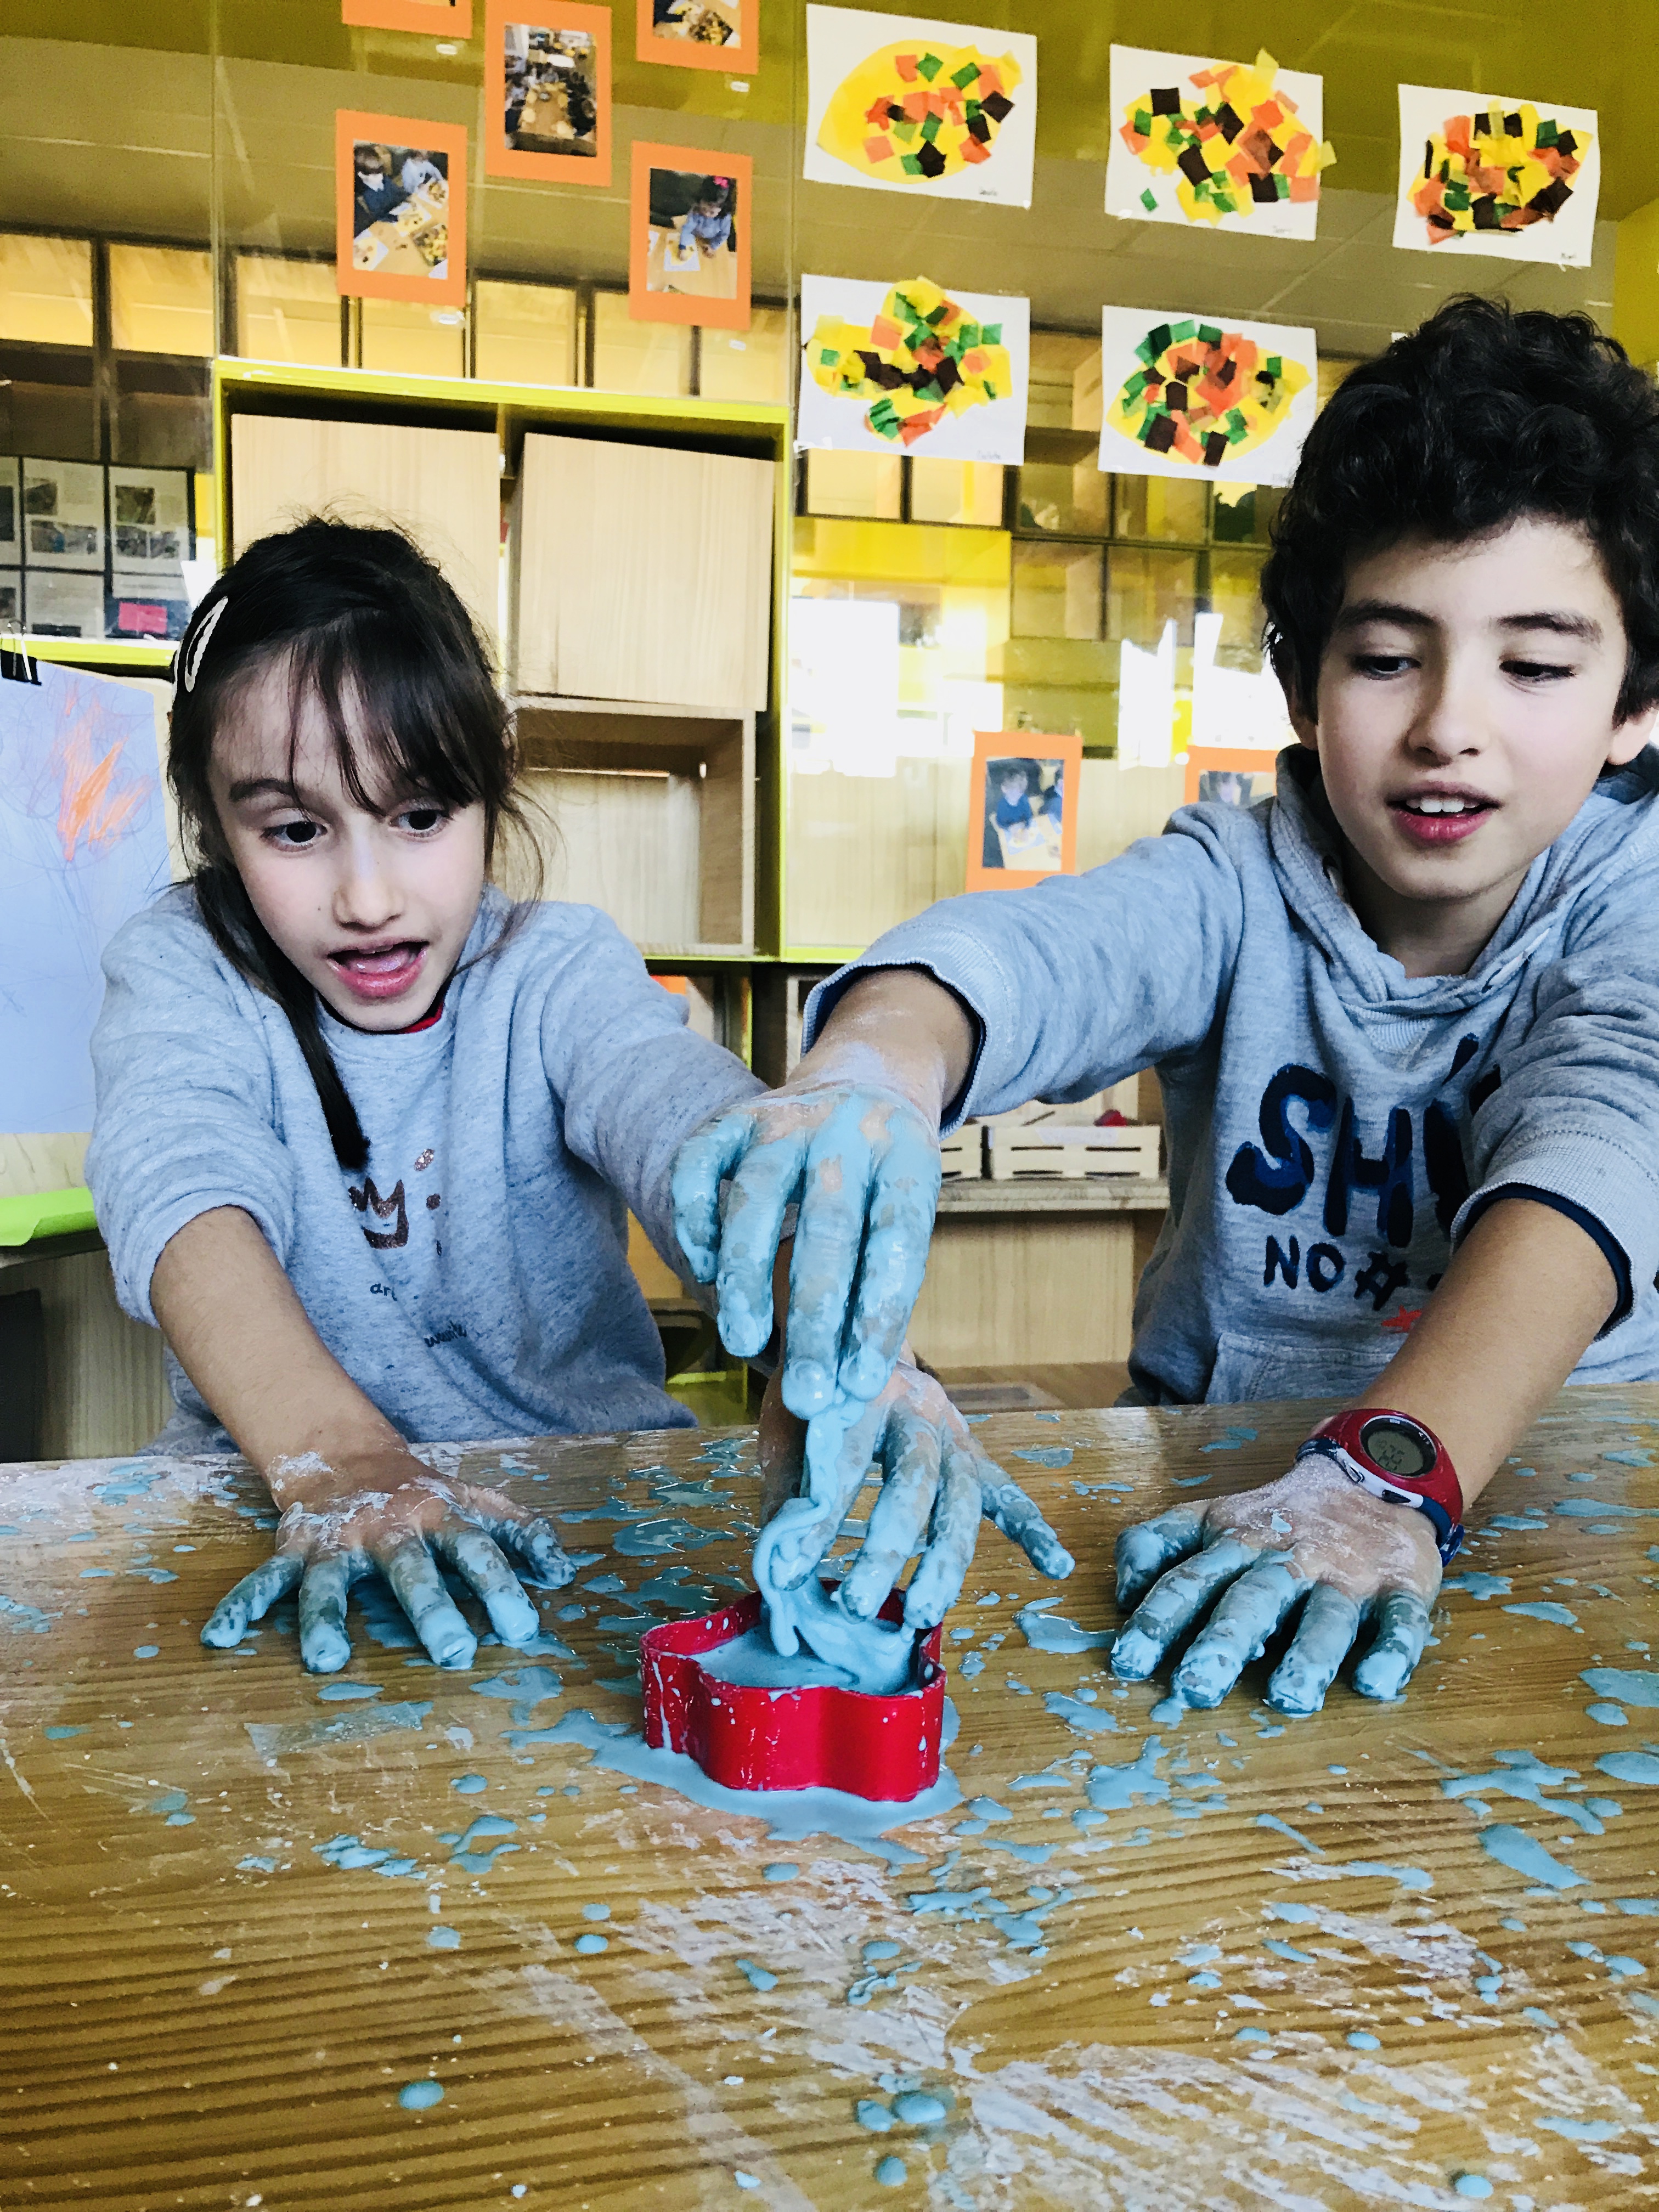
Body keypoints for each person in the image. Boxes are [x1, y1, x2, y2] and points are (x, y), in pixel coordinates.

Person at [673, 297, 1659, 1718]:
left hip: (1564, 1512)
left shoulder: (1634, 896)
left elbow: (1605, 1136)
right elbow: (1039, 956)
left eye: (1538, 664)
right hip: (1214, 1518)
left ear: (1637, 704)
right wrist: (875, 1067)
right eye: (1387, 656)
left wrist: (1389, 1472)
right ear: (1304, 687)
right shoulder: (1239, 878)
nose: (1452, 721)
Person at [87, 520, 1064, 1675]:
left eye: (418, 817)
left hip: (583, 1531)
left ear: (491, 787)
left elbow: (692, 1131)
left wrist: (848, 1352)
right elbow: (178, 1186)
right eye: (295, 830)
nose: (366, 896)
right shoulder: (186, 965)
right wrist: (334, 1463)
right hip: (270, 1520)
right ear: (215, 820)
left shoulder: (555, 973)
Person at [679, 178, 733, 258]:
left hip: (712, 240)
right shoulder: (696, 210)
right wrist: (682, 247)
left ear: (722, 209)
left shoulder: (725, 218)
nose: (706, 214)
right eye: (704, 209)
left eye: (712, 213)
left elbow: (724, 235)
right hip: (696, 236)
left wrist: (713, 246)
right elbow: (687, 229)